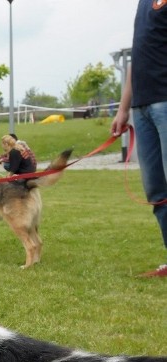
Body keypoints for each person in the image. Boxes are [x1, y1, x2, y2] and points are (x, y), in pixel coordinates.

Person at [110, 0, 167, 278]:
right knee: (156, 191)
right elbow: (137, 59)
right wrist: (123, 109)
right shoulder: (144, 4)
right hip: (141, 109)